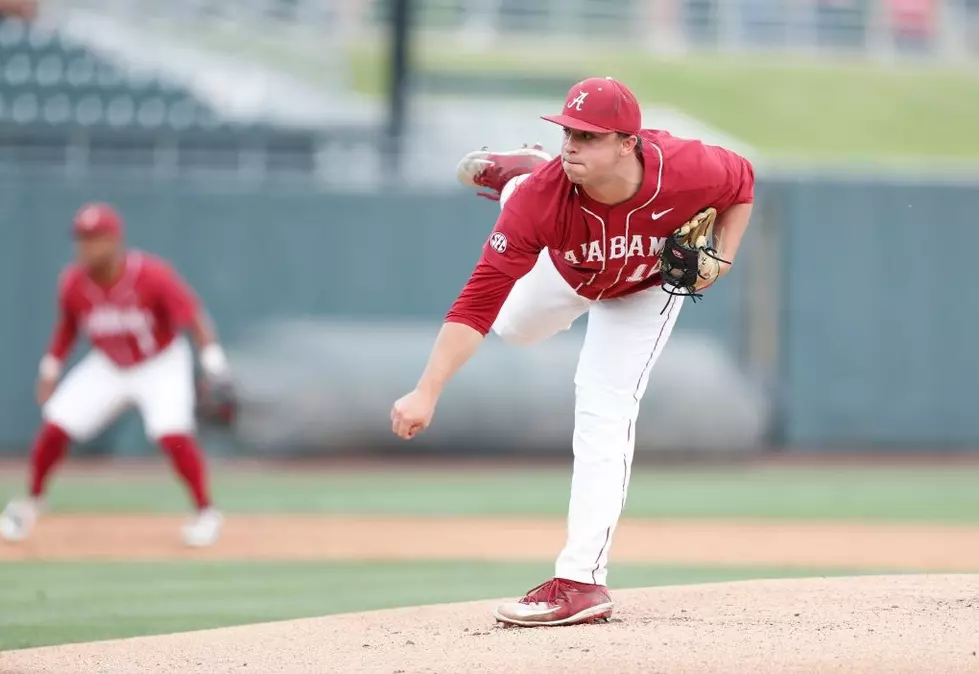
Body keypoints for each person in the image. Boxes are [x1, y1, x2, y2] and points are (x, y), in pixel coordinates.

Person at [390, 77, 755, 627]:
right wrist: (427, 389)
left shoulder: (689, 168)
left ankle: (582, 582)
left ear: (627, 142)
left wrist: (721, 260)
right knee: (513, 327)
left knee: (605, 411)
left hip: (645, 289)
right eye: (566, 132)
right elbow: (477, 304)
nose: (572, 145)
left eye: (587, 136)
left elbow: (743, 185)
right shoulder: (547, 197)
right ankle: (517, 175)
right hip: (565, 276)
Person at [0, 202, 230, 547]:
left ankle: (205, 512)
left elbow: (193, 315)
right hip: (109, 364)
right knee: (56, 424)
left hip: (161, 362)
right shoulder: (73, 282)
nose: (85, 246)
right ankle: (32, 501)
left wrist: (215, 363)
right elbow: (67, 329)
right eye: (81, 238)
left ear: (114, 240)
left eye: (94, 238)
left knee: (171, 433)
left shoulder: (151, 274)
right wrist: (50, 369)